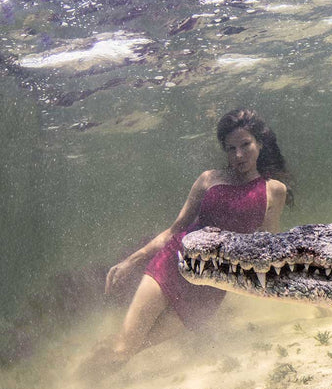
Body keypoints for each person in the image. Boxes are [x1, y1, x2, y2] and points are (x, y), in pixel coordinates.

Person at [101, 109, 291, 363]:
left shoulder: (274, 191)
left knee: (136, 348)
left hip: (211, 284)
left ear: (260, 143)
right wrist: (131, 261)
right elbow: (173, 230)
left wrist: (304, 292)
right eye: (230, 148)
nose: (238, 155)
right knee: (123, 350)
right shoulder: (209, 179)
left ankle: (91, 369)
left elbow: (269, 250)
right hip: (173, 263)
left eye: (245, 145)